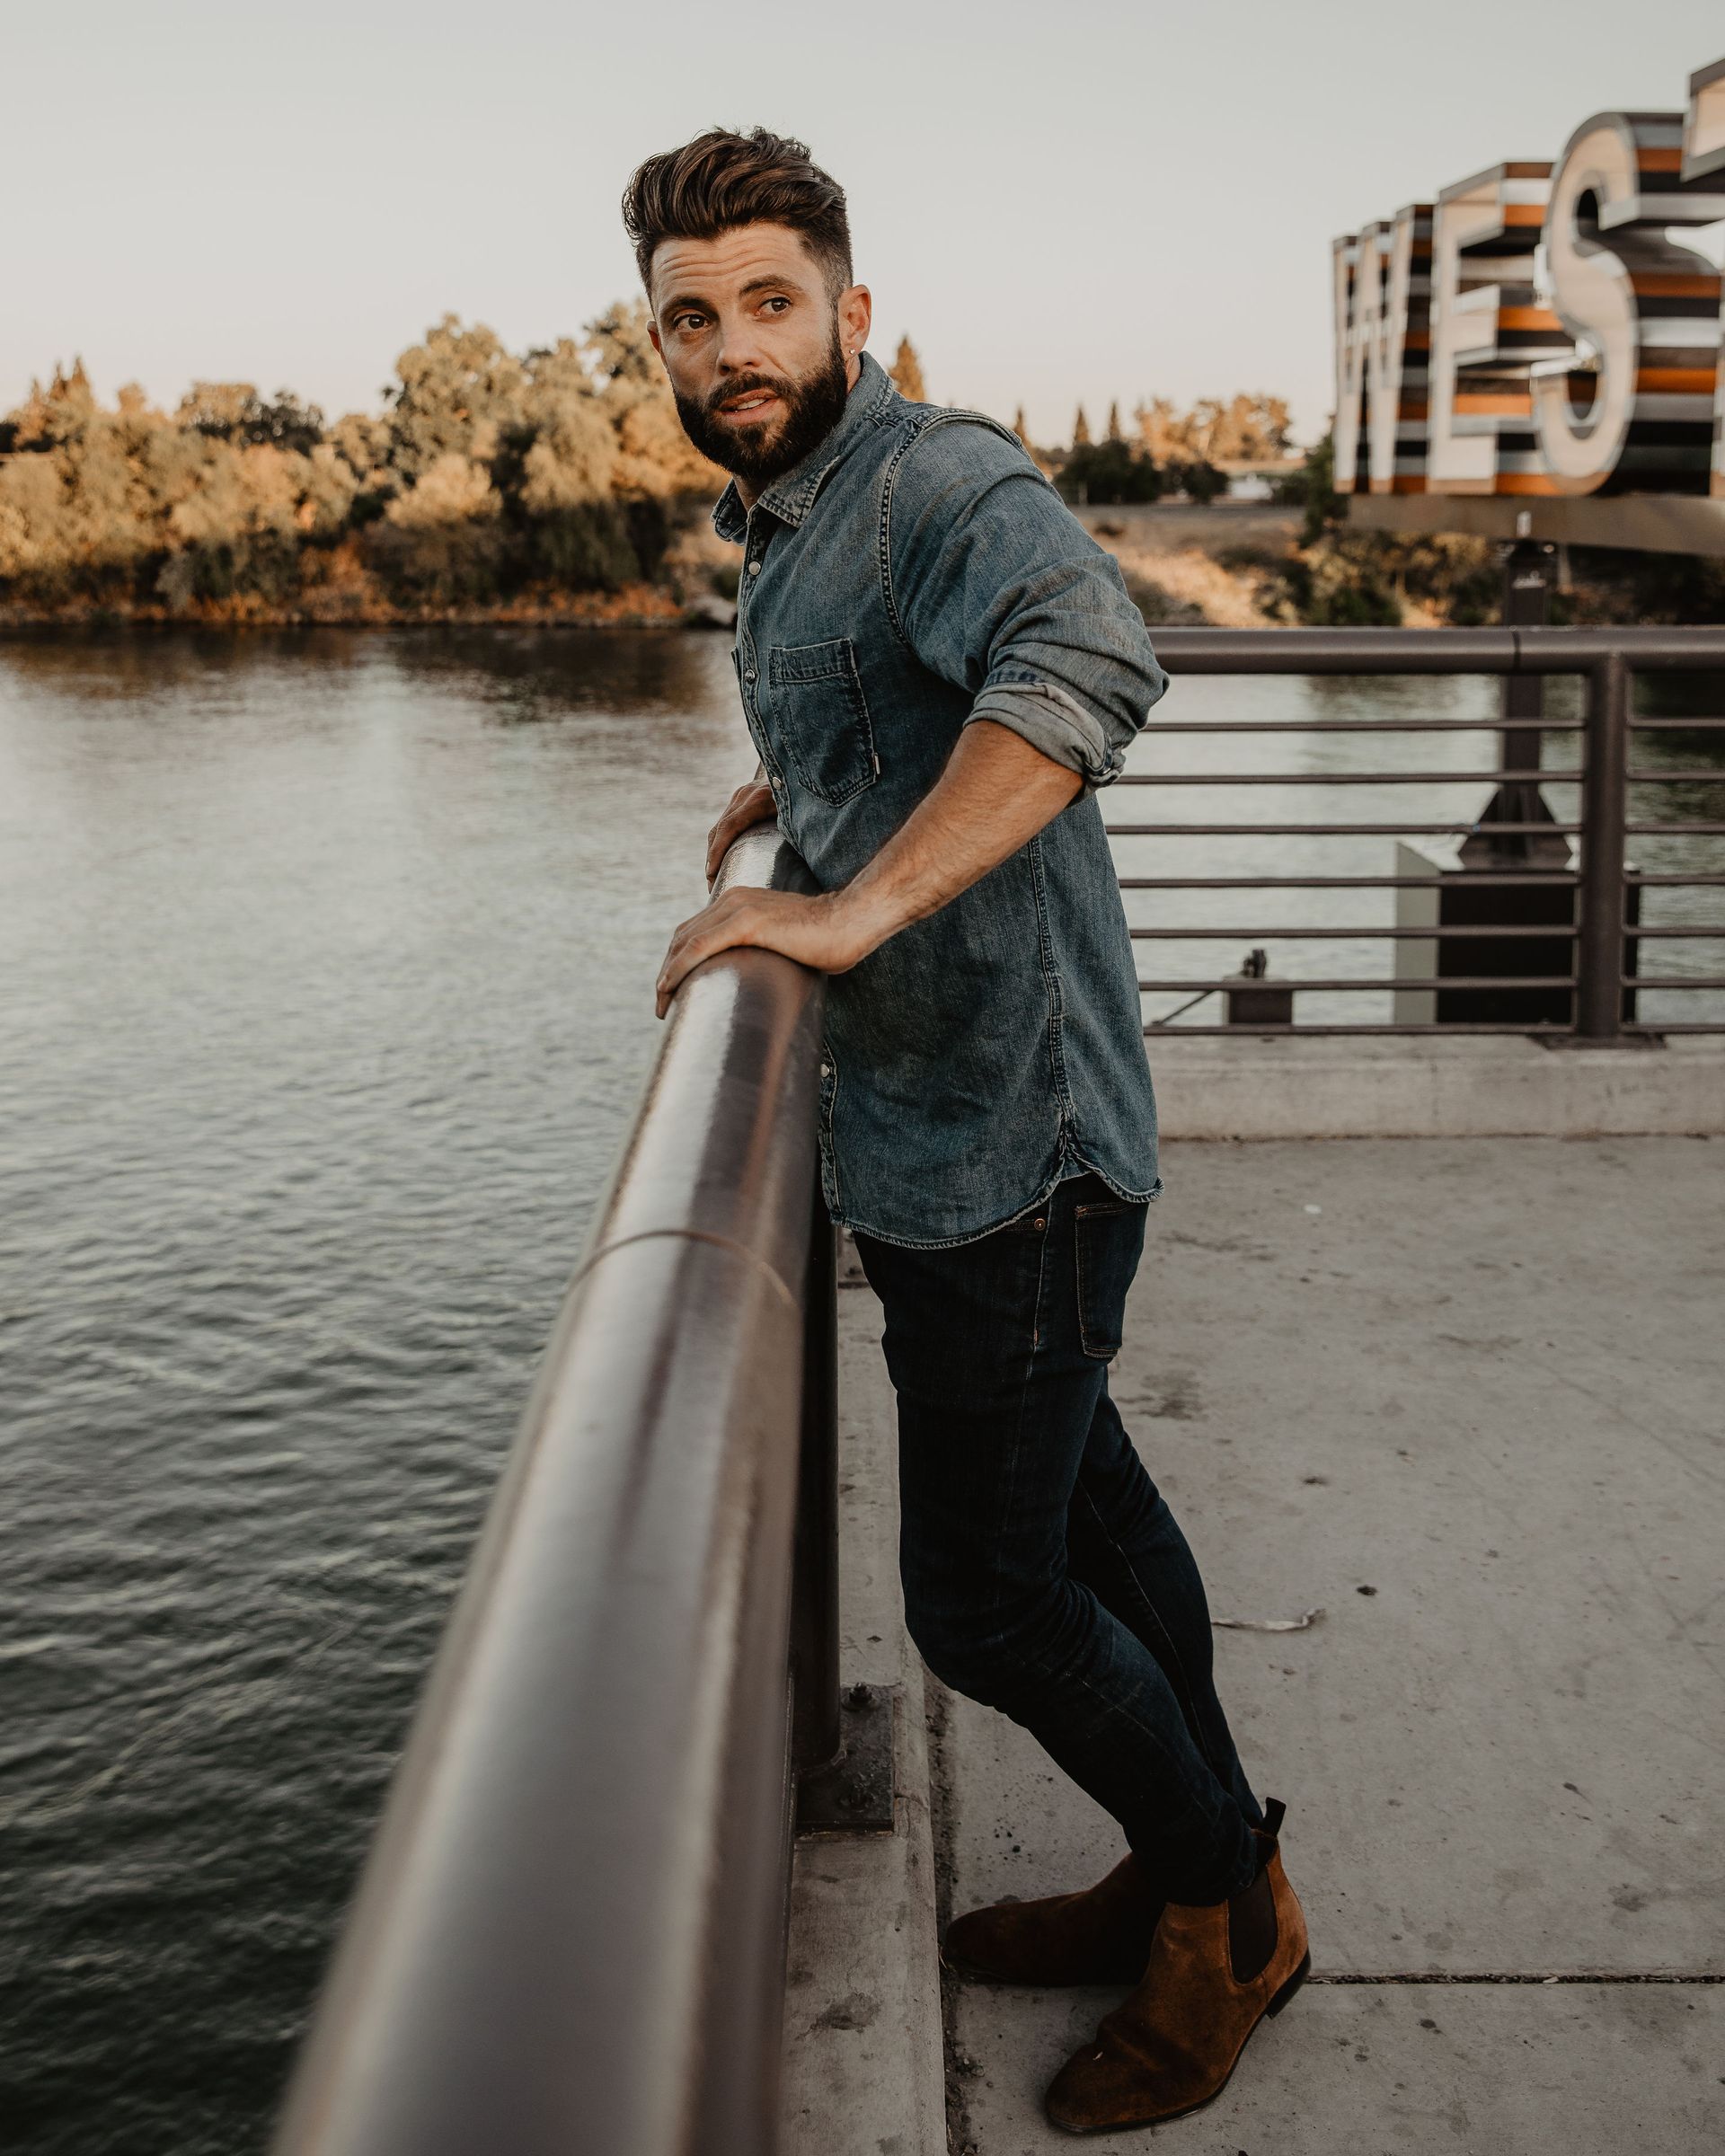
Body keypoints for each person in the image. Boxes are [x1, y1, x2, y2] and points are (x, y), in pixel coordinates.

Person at [624, 127, 1307, 2132]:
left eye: (768, 300)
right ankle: (1196, 1857)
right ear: (658, 350)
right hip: (960, 1129)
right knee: (1098, 1514)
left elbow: (1091, 653)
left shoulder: (931, 475)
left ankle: (1226, 1914)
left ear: (854, 309)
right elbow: (897, 700)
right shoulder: (797, 508)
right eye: (690, 316)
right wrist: (808, 801)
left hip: (1015, 1142)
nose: (730, 345)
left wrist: (833, 914)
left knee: (986, 1604)